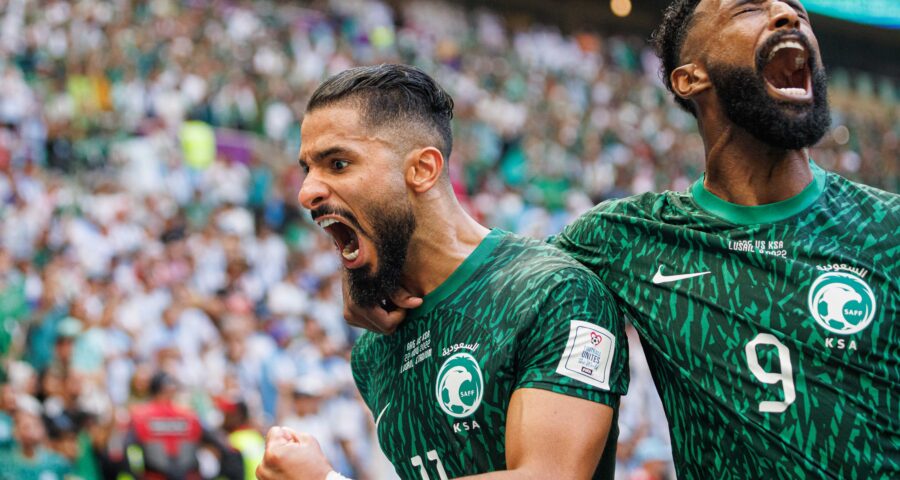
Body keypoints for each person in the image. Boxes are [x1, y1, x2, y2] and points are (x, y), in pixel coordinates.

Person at [343, 1, 900, 478]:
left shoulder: (888, 228)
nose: (788, 14)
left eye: (798, 9)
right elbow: (490, 280)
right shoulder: (626, 238)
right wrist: (373, 274)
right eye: (750, 6)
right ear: (689, 78)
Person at [256, 64, 629, 479]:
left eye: (338, 164)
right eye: (308, 169)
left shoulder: (553, 292)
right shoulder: (373, 351)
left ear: (422, 170)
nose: (306, 192)